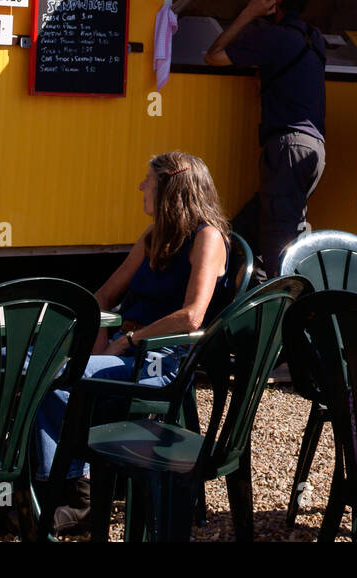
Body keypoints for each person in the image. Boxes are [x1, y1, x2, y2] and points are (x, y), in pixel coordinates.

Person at [33, 151, 230, 534]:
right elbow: (102, 297)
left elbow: (192, 316)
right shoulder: (155, 236)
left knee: (51, 374)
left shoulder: (207, 237)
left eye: (148, 181)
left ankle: (75, 492)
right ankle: (29, 480)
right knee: (25, 361)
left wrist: (128, 340)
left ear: (171, 189)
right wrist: (99, 339)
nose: (141, 187)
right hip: (125, 347)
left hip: (161, 360)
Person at [206, 0, 326, 280]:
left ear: (276, 1)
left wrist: (249, 12)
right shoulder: (316, 38)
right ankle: (252, 299)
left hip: (286, 147)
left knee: (279, 245)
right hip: (313, 148)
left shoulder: (275, 37)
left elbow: (213, 56)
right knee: (243, 233)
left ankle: (288, 311)